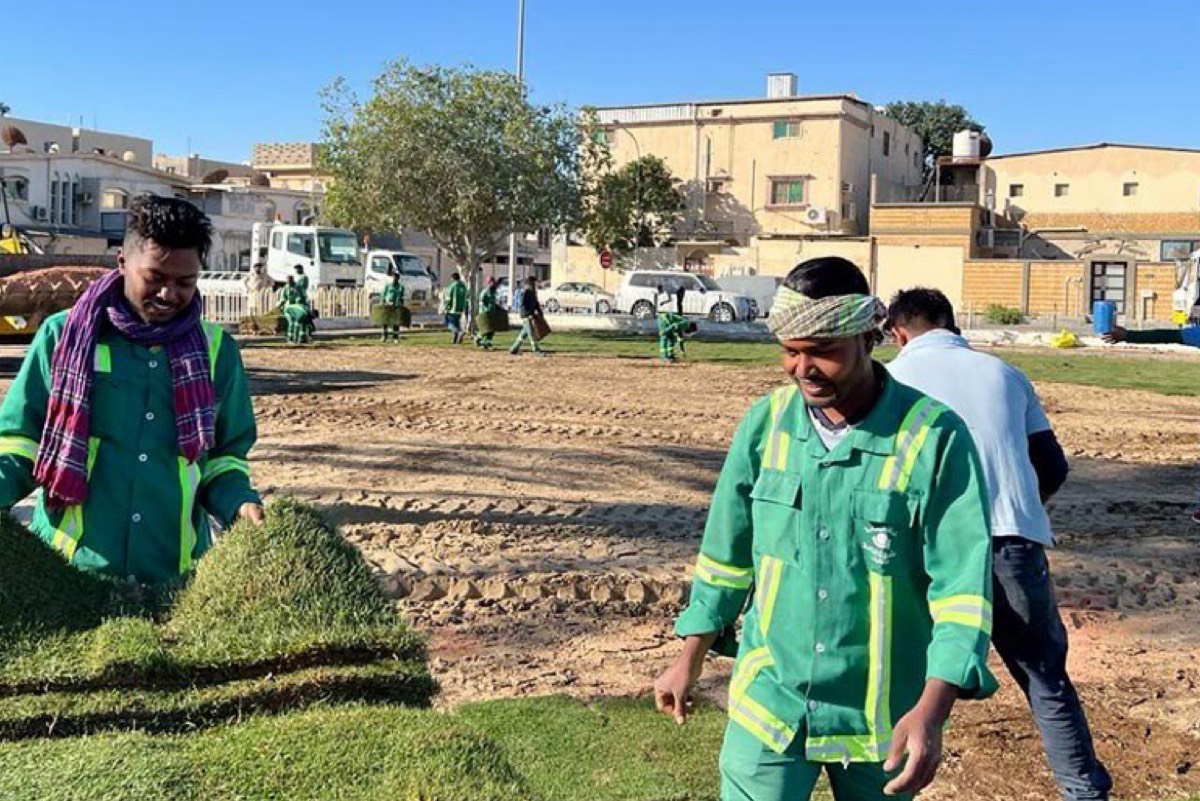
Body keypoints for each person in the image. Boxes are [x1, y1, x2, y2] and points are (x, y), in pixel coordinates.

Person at [654, 257, 996, 801]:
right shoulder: (765, 426)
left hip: (883, 717)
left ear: (868, 337)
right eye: (791, 351)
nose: (802, 368)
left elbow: (961, 591)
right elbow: (727, 556)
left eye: (823, 351)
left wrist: (931, 712)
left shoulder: (934, 438)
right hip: (771, 704)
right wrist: (688, 657)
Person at [887, 288, 1112, 801]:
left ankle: (888, 777)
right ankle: (1083, 789)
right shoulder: (1005, 374)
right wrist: (1022, 507)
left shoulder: (892, 379)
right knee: (1043, 677)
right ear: (952, 324)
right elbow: (1052, 466)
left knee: (904, 671)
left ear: (899, 334)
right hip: (1010, 540)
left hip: (925, 549)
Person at [0, 194, 262, 585]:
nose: (169, 294)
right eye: (155, 278)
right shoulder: (62, 337)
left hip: (174, 574)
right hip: (69, 573)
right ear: (122, 262)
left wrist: (240, 504)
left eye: (185, 282)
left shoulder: (217, 352)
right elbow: (21, 442)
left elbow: (224, 458)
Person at [509, 276, 546, 356]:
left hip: (530, 315)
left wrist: (540, 312)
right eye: (533, 283)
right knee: (532, 333)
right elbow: (523, 305)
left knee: (524, 333)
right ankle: (536, 350)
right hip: (526, 316)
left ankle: (514, 349)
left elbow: (536, 303)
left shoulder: (533, 292)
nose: (535, 285)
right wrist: (529, 314)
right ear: (530, 283)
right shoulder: (526, 292)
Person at [375, 270, 406, 342]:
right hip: (387, 305)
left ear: (398, 278)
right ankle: (384, 336)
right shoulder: (388, 286)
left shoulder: (400, 287)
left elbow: (401, 296)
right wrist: (384, 302)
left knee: (396, 322)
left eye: (396, 277)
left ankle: (395, 337)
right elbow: (383, 295)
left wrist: (400, 304)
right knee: (385, 321)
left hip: (396, 306)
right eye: (393, 277)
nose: (394, 278)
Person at [280, 276, 312, 345]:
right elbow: (283, 298)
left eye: (290, 281)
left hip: (298, 307)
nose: (289, 282)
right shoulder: (285, 288)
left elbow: (302, 297)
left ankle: (302, 338)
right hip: (289, 308)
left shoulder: (298, 287)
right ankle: (290, 338)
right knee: (291, 322)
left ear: (293, 280)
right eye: (288, 281)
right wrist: (280, 304)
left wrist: (299, 300)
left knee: (301, 322)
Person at [474, 276, 501, 350]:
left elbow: (493, 302)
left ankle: (487, 341)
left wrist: (497, 307)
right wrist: (484, 309)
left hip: (492, 312)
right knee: (486, 329)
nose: (493, 283)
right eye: (492, 282)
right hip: (485, 313)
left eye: (494, 281)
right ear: (488, 283)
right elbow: (481, 301)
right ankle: (479, 339)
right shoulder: (485, 292)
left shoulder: (493, 292)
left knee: (492, 329)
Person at [442, 271, 468, 345]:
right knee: (456, 323)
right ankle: (455, 340)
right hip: (460, 308)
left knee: (449, 323)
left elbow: (449, 298)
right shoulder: (463, 285)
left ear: (453, 278)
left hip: (452, 309)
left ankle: (459, 332)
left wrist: (446, 308)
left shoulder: (452, 286)